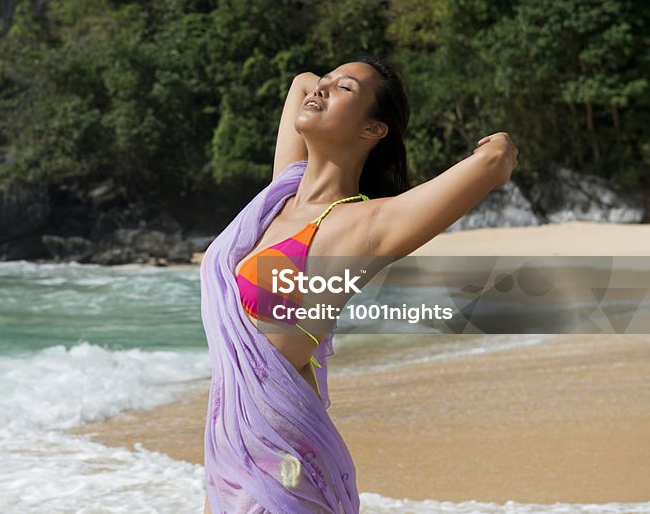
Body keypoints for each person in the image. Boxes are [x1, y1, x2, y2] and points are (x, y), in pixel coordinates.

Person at [200, 56, 518, 514]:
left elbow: (490, 163)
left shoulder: (366, 227)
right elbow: (301, 82)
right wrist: (337, 86)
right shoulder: (278, 197)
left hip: (286, 460)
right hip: (231, 446)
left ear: (374, 129)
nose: (320, 90)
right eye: (325, 84)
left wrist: (502, 149)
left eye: (343, 89)